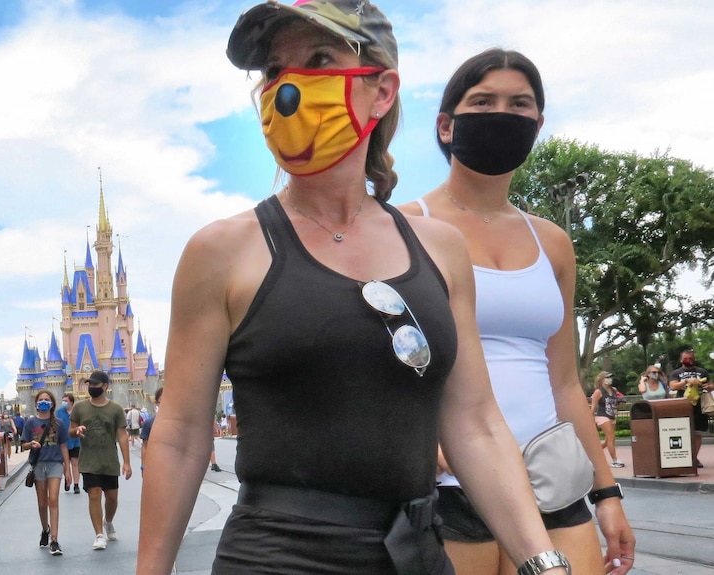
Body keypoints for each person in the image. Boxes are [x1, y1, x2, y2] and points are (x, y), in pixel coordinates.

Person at [137, 4, 578, 574]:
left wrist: (544, 563)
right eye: (274, 70)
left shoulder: (440, 250)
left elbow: (474, 422)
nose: (289, 87)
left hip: (417, 554)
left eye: (320, 59)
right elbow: (180, 434)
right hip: (278, 558)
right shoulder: (221, 252)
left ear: (382, 91)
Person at [397, 47, 635, 575]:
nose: (502, 113)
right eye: (482, 101)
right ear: (445, 125)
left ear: (538, 124)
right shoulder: (405, 227)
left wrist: (607, 494)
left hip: (553, 484)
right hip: (451, 487)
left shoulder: (552, 242)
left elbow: (566, 383)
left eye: (519, 104)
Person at [70, 371, 132, 551]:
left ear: (105, 386)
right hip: (88, 460)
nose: (92, 388)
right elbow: (71, 430)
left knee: (112, 498)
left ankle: (108, 521)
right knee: (94, 494)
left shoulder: (115, 409)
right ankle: (99, 534)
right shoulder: (79, 408)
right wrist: (77, 430)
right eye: (90, 384)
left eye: (96, 385)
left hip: (109, 460)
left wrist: (127, 462)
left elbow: (122, 435)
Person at [22, 390, 70, 556]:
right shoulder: (30, 423)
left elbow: (63, 446)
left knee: (53, 499)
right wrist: (31, 444)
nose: (43, 402)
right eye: (41, 399)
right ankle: (45, 529)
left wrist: (68, 469)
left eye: (47, 399)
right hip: (38, 464)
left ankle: (55, 540)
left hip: (55, 463)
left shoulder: (59, 423)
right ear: (36, 404)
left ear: (52, 403)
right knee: (42, 503)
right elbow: (23, 445)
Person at [669, 349, 712, 468]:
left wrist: (708, 386)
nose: (689, 360)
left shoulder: (702, 371)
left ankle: (694, 458)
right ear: (681, 360)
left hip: (699, 404)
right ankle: (684, 456)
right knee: (683, 431)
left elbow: (711, 385)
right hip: (683, 404)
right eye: (686, 358)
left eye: (691, 358)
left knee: (697, 432)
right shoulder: (676, 373)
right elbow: (672, 386)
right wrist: (686, 381)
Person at [591, 371, 625, 468]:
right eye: (607, 377)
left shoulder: (613, 390)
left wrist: (621, 400)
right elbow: (593, 407)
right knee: (611, 438)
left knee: (608, 441)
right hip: (602, 416)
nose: (610, 379)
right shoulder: (598, 392)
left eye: (610, 377)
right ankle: (615, 460)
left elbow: (620, 398)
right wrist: (592, 421)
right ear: (602, 380)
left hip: (612, 416)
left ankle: (593, 455)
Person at [56, 392, 82, 494]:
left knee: (75, 463)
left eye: (66, 401)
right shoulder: (59, 412)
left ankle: (76, 484)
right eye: (63, 401)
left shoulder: (77, 412)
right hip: (63, 442)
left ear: (71, 402)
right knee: (64, 464)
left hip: (76, 441)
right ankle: (67, 480)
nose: (64, 403)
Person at [139, 387, 163, 477]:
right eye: (162, 400)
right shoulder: (149, 423)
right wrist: (143, 467)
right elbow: (145, 446)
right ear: (157, 403)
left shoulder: (179, 423)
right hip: (155, 466)